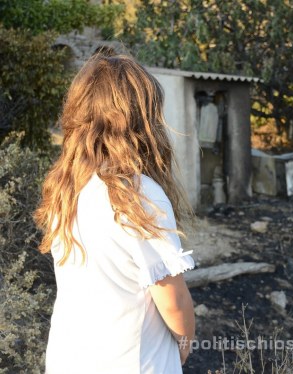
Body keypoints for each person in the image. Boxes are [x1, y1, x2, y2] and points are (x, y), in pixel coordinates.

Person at [34, 53, 196, 374]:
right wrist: (185, 344)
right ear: (141, 121)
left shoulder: (67, 186)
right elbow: (173, 302)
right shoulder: (137, 194)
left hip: (69, 358)